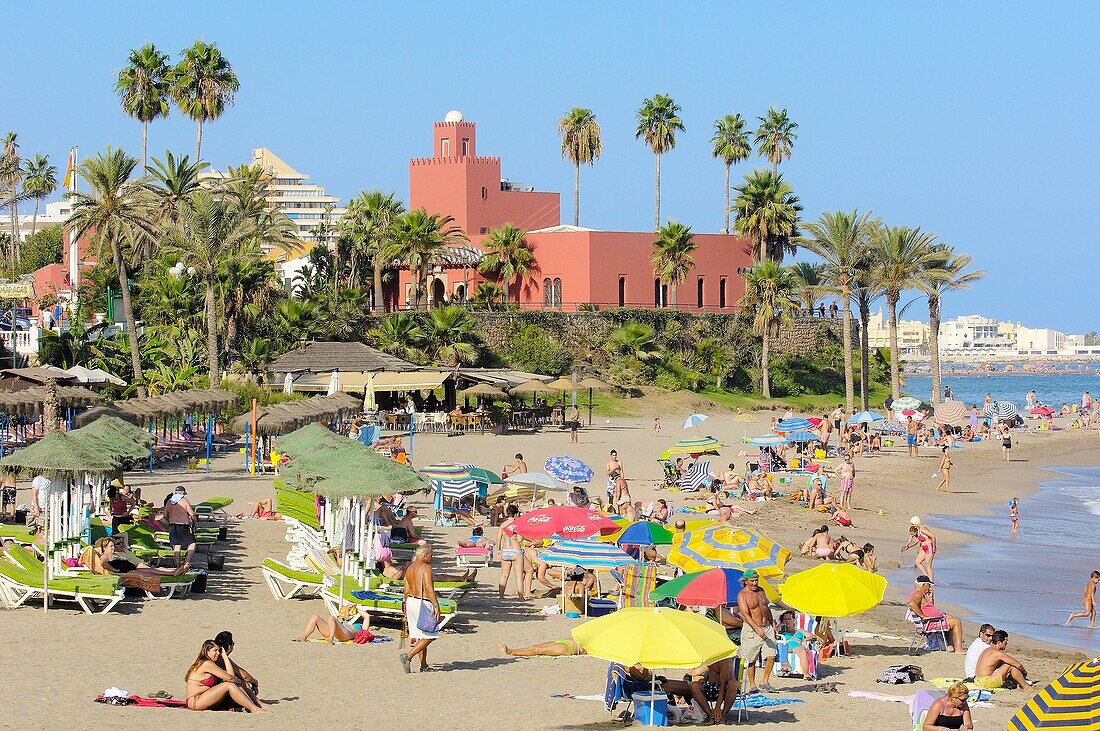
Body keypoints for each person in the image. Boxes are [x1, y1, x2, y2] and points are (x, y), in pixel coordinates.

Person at [184, 640, 266, 712]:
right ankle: (254, 708)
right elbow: (230, 678)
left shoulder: (209, 662)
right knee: (229, 684)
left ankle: (254, 705)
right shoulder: (207, 664)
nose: (218, 653)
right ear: (207, 651)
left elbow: (230, 676)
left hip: (204, 698)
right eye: (215, 650)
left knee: (236, 683)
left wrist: (225, 657)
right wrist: (239, 681)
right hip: (195, 702)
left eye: (219, 650)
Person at [400, 544, 441, 673]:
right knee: (431, 634)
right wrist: (436, 605)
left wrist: (406, 606)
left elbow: (406, 590)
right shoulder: (425, 567)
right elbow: (428, 588)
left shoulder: (410, 567)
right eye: (431, 555)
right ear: (425, 555)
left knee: (420, 635)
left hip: (411, 601)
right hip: (422, 602)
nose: (431, 558)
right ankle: (408, 656)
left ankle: (423, 665)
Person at [737, 569, 776, 693]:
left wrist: (773, 623)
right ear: (745, 581)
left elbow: (766, 608)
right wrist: (757, 628)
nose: (754, 583)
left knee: (771, 655)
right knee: (751, 658)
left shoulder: (761, 591)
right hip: (752, 629)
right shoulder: (742, 595)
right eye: (752, 581)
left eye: (756, 580)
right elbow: (746, 615)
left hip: (767, 627)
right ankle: (752, 685)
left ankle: (764, 681)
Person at [908, 576, 964, 654]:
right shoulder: (918, 594)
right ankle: (959, 649)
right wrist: (923, 616)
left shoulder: (918, 593)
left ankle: (950, 645)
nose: (930, 588)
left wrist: (930, 598)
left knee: (950, 617)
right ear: (924, 585)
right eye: (929, 585)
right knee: (956, 621)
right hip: (929, 623)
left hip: (932, 621)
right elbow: (911, 604)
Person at [92, 535, 190, 576]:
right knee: (152, 572)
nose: (113, 548)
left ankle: (175, 571)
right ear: (104, 547)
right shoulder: (105, 555)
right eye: (111, 546)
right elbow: (103, 563)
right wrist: (115, 570)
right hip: (128, 571)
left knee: (154, 570)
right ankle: (173, 573)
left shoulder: (115, 553)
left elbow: (124, 535)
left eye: (113, 546)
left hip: (132, 568)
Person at [213, 631, 259, 696]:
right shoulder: (221, 659)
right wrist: (255, 682)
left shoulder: (211, 655)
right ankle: (256, 703)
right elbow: (244, 676)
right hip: (211, 694)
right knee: (244, 683)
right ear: (229, 647)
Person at [163, 486, 197, 569]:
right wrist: (195, 521)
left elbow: (165, 515)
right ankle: (187, 562)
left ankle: (178, 566)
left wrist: (169, 520)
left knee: (177, 545)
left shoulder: (169, 502)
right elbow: (191, 514)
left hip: (172, 525)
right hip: (182, 525)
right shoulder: (184, 501)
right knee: (192, 543)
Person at [775, 610, 814, 681]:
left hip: (796, 645)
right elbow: (774, 635)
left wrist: (804, 640)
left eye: (789, 619)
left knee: (802, 651)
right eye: (785, 619)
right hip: (785, 646)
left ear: (794, 620)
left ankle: (806, 674)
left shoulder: (800, 630)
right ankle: (786, 667)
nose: (787, 621)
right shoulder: (782, 633)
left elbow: (812, 637)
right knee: (782, 645)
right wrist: (780, 625)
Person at [496, 505, 525, 600]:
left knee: (504, 575)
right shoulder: (518, 524)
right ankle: (521, 597)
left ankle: (501, 596)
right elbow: (520, 540)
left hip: (505, 550)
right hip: (515, 550)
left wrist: (498, 550)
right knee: (518, 576)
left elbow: (498, 538)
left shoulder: (503, 525)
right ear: (516, 514)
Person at [294, 605, 363, 644]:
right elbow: (344, 616)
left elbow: (367, 616)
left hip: (345, 635)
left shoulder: (359, 626)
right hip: (334, 631)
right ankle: (303, 637)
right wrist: (348, 608)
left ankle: (331, 639)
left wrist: (358, 609)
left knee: (331, 618)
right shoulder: (344, 621)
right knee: (315, 617)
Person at [498, 638, 585, 658]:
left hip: (567, 648)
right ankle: (512, 650)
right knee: (535, 647)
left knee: (538, 650)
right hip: (563, 641)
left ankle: (512, 652)